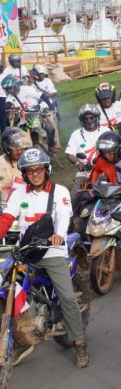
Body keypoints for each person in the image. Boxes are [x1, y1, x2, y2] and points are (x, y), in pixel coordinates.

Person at [0, 148, 90, 367]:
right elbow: (6, 218)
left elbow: (63, 217)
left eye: (39, 169)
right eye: (30, 170)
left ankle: (79, 344)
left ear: (46, 170)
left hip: (52, 251)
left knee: (67, 297)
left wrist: (59, 235)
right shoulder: (19, 193)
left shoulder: (59, 192)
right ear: (24, 173)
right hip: (26, 251)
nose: (35, 173)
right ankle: (20, 334)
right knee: (8, 283)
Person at [0, 127, 31, 206]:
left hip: (24, 206)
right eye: (15, 148)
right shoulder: (1, 163)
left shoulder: (28, 162)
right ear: (6, 147)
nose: (20, 151)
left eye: (22, 147)